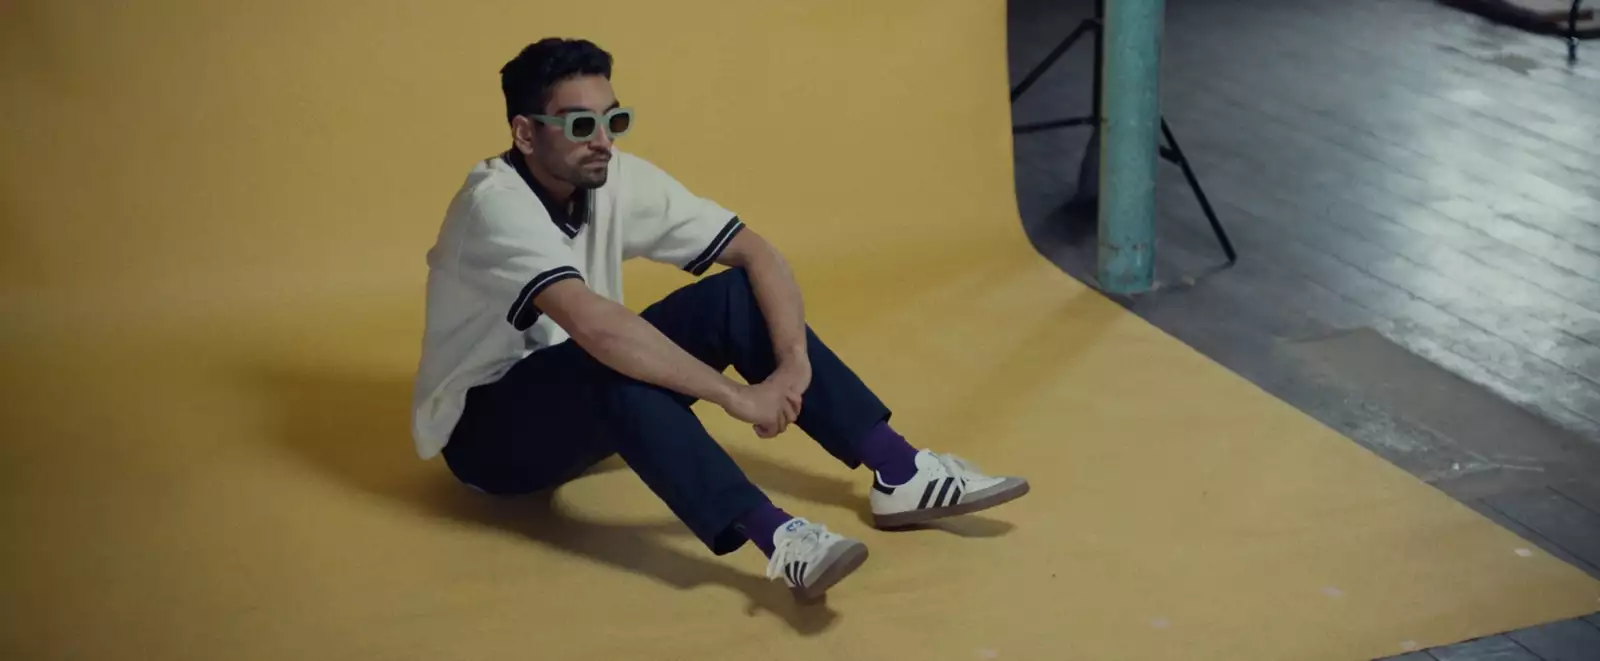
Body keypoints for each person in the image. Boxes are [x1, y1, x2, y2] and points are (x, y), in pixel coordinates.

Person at [411, 37, 1029, 600]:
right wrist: (737, 397)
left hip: (582, 405)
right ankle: (781, 539)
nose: (603, 139)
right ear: (525, 134)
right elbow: (595, 325)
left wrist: (791, 365)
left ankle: (899, 471)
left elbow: (755, 252)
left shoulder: (610, 176)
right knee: (610, 356)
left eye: (613, 119)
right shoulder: (493, 207)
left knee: (731, 296)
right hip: (489, 439)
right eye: (580, 124)